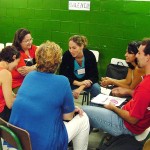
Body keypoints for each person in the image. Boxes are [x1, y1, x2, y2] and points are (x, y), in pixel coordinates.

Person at [9, 41, 90, 150]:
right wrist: (69, 110)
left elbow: (40, 103)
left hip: (16, 140)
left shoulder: (30, 76)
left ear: (37, 59)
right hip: (43, 144)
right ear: (58, 61)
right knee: (83, 118)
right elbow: (68, 117)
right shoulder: (62, 81)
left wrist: (67, 109)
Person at [82, 38, 150, 137]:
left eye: (139, 53)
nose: (136, 56)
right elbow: (139, 97)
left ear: (147, 57)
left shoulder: (145, 86)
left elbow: (133, 119)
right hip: (125, 114)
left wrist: (113, 108)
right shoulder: (145, 81)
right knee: (93, 107)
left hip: (125, 125)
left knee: (83, 111)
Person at [59, 35, 100, 99]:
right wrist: (78, 83)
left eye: (74, 48)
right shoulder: (67, 55)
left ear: (82, 46)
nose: (71, 50)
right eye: (70, 48)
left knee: (96, 88)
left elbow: (95, 76)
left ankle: (93, 107)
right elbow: (63, 75)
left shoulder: (90, 55)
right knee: (60, 86)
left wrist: (81, 86)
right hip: (72, 83)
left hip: (86, 84)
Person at [11, 28, 37, 93]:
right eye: (26, 41)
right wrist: (37, 66)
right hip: (17, 84)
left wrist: (32, 68)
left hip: (31, 81)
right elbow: (24, 72)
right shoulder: (16, 53)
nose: (30, 42)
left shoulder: (33, 48)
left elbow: (43, 62)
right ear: (19, 42)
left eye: (31, 39)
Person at [0, 46, 20, 121]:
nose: (16, 67)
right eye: (17, 62)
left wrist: (15, 96)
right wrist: (23, 98)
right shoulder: (5, 73)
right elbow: (10, 104)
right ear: (14, 57)